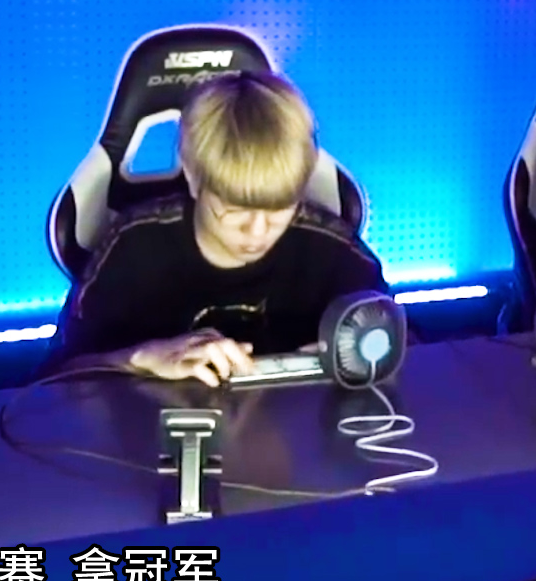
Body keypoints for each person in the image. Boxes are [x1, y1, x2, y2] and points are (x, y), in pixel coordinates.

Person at [41, 70, 388, 387]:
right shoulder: (131, 247)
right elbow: (53, 377)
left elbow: (406, 349)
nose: (257, 232)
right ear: (193, 177)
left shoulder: (332, 248)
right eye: (234, 211)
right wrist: (139, 359)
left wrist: (359, 357)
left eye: (280, 209)